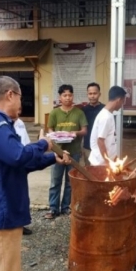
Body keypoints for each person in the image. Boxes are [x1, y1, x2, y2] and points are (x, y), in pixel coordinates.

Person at [0, 76, 69, 271]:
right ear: (10, 94)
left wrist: (52, 158)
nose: (21, 103)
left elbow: (21, 162)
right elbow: (17, 155)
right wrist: (44, 144)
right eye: (20, 97)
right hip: (2, 209)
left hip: (2, 208)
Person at [45, 84, 87, 219]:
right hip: (58, 152)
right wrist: (55, 135)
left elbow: (84, 130)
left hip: (73, 150)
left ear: (73, 96)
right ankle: (53, 208)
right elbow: (50, 129)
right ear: (60, 97)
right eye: (65, 95)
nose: (67, 98)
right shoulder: (54, 112)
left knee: (70, 182)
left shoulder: (79, 112)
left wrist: (76, 133)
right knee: (55, 181)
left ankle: (65, 207)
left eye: (70, 95)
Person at [89, 85, 127, 165]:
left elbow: (110, 140)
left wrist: (114, 158)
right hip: (101, 164)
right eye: (122, 102)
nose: (122, 105)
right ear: (119, 100)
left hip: (105, 162)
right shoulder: (105, 117)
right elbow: (100, 141)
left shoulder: (108, 114)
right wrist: (108, 163)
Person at [13, 111, 32, 236]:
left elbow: (26, 142)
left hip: (22, 162)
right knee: (12, 196)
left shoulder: (20, 123)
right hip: (12, 161)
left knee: (22, 196)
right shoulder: (2, 124)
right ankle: (14, 224)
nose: (18, 111)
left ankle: (21, 223)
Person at [82, 82, 104, 165]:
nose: (92, 96)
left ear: (99, 94)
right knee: (88, 171)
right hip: (87, 147)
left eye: (95, 93)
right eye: (90, 93)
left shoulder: (104, 109)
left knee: (101, 171)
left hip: (101, 147)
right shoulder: (83, 110)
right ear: (87, 94)